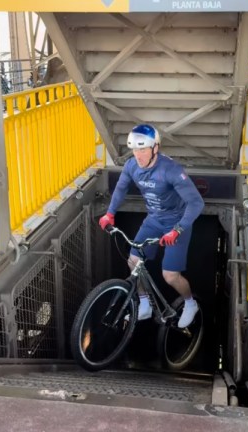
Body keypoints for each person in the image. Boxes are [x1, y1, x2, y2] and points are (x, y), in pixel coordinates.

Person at [99, 124, 204, 329]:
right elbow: (120, 188)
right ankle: (145, 302)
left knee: (170, 276)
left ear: (155, 148)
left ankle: (190, 303)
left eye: (143, 149)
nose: (138, 155)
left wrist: (178, 229)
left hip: (176, 223)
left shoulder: (170, 170)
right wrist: (110, 213)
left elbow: (196, 203)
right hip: (154, 220)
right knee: (133, 260)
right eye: (135, 150)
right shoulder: (131, 166)